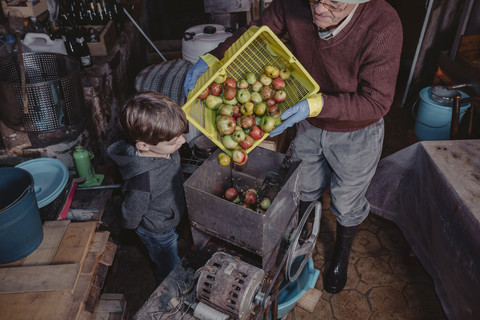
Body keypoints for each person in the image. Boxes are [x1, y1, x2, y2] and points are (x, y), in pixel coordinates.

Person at [184, 0, 402, 294]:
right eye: (315, 0)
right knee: (305, 186)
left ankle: (341, 253)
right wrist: (214, 57)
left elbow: (376, 102)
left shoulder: (383, 25)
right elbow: (256, 31)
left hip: (356, 130)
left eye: (334, 5)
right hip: (309, 121)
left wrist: (318, 104)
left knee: (347, 200)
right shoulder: (293, 2)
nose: (320, 10)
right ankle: (303, 240)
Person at [107, 91, 188, 284]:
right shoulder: (142, 180)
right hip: (158, 230)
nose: (183, 142)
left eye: (180, 136)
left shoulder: (160, 149)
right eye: (173, 142)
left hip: (169, 211)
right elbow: (133, 209)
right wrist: (130, 226)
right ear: (143, 146)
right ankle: (170, 287)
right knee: (169, 263)